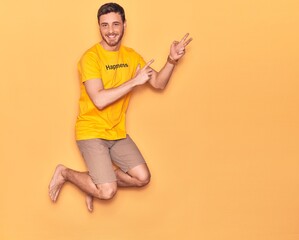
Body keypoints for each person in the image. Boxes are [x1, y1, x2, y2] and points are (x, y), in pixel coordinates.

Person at [49, 2, 192, 212]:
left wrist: (172, 60)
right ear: (99, 27)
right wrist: (134, 82)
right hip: (91, 131)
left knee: (143, 177)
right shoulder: (90, 58)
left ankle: (95, 182)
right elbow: (98, 100)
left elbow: (158, 84)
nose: (111, 31)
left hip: (117, 132)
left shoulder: (131, 56)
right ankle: (65, 173)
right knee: (107, 192)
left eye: (115, 24)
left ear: (124, 25)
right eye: (104, 25)